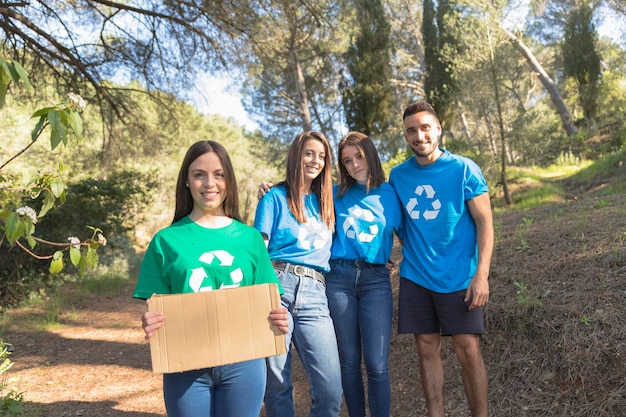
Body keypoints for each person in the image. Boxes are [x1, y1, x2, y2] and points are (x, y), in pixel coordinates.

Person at [134, 140, 289, 417]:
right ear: (186, 181)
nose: (210, 183)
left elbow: (269, 302)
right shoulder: (165, 241)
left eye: (218, 174)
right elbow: (155, 306)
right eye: (199, 174)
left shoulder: (251, 239)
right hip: (185, 366)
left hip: (245, 363)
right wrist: (150, 321)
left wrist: (280, 317)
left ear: (228, 180)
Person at [389, 101, 494, 417]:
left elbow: (485, 222)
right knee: (425, 350)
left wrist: (482, 275)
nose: (418, 136)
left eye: (424, 127)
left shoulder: (463, 169)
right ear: (406, 136)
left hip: (459, 276)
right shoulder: (397, 176)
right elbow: (382, 212)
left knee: (469, 351)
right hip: (416, 277)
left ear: (438, 129)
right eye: (411, 130)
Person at [254, 131, 343, 417]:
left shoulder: (329, 202)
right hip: (276, 286)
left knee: (330, 390)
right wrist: (266, 295)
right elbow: (258, 251)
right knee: (277, 384)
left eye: (321, 156)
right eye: (309, 153)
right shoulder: (274, 198)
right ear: (296, 155)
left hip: (316, 293)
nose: (315, 160)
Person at [325, 132, 402, 417]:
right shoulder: (333, 194)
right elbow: (298, 200)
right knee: (349, 361)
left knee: (377, 364)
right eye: (347, 160)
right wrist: (272, 190)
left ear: (370, 155)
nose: (355, 165)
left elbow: (409, 236)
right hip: (339, 280)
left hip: (376, 281)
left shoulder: (391, 194)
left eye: (359, 156)